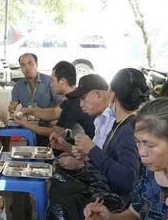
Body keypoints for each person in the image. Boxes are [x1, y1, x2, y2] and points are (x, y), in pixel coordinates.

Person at [70, 68, 148, 197]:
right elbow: (112, 161)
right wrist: (89, 157)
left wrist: (93, 150)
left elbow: (128, 180)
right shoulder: (121, 124)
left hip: (118, 204)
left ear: (112, 95)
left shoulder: (128, 130)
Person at [13, 61, 96, 139]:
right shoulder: (71, 96)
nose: (51, 85)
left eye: (52, 81)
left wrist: (26, 124)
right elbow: (54, 113)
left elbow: (55, 132)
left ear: (62, 81)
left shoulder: (74, 102)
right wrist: (30, 111)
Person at [50, 74, 113, 155]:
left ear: (98, 95)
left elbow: (108, 163)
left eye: (83, 98)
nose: (81, 104)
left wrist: (81, 164)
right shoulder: (99, 119)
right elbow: (95, 156)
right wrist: (65, 147)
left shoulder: (114, 120)